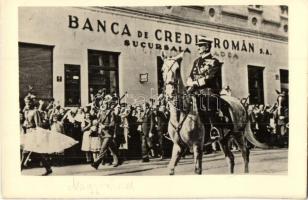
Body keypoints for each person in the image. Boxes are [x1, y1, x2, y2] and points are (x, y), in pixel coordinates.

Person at [186, 35, 225, 140]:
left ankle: (214, 129)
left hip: (209, 90)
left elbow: (210, 78)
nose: (198, 48)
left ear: (207, 47)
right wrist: (189, 83)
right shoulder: (196, 61)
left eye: (201, 46)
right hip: (196, 91)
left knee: (208, 104)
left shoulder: (214, 61)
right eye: (198, 46)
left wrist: (195, 84)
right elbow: (191, 76)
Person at [21, 95, 52, 176]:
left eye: (29, 102)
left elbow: (39, 125)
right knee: (37, 153)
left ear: (32, 102)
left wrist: (38, 136)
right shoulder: (26, 111)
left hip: (34, 133)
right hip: (28, 132)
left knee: (26, 151)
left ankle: (20, 167)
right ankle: (48, 168)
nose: (27, 104)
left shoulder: (36, 111)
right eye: (26, 102)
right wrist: (25, 125)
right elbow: (26, 121)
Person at [91, 95, 119, 169]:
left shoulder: (111, 113)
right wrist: (96, 125)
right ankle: (116, 160)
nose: (103, 106)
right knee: (112, 147)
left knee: (103, 148)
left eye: (105, 104)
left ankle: (96, 163)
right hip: (102, 133)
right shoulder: (101, 113)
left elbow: (113, 123)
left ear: (107, 105)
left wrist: (105, 126)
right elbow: (99, 122)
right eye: (102, 104)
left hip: (108, 133)